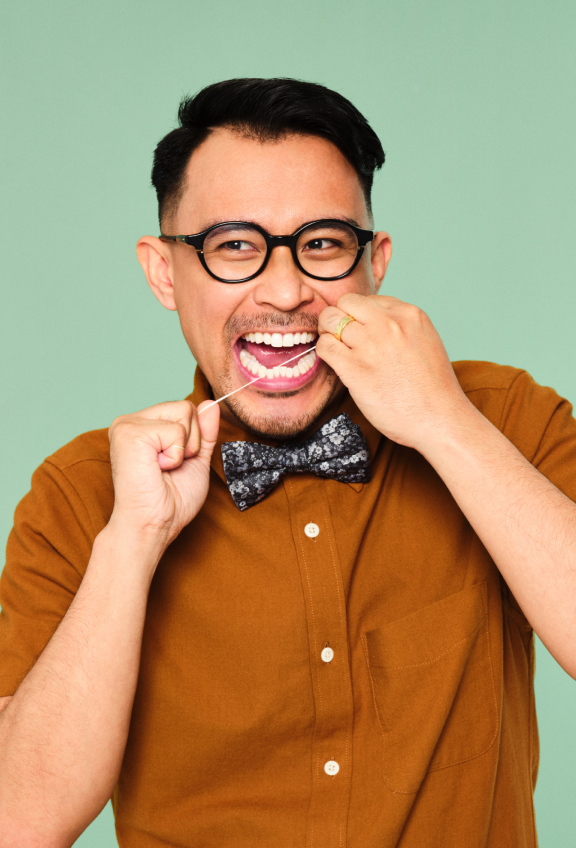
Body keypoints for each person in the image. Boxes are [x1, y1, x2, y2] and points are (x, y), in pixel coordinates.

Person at [0, 77, 575, 848]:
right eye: (233, 245)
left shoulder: (504, 420)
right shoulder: (80, 497)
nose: (284, 288)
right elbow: (18, 823)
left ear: (376, 264)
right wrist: (130, 543)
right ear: (165, 272)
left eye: (323, 243)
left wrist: (445, 425)